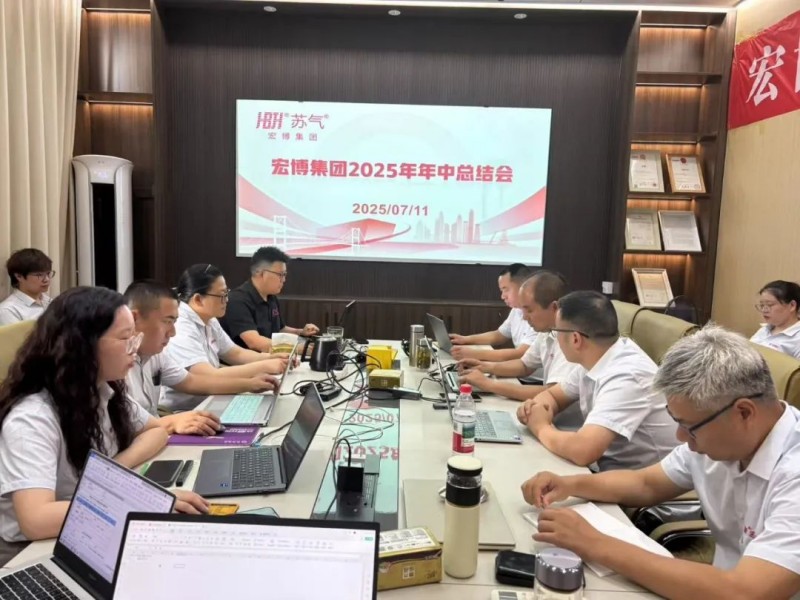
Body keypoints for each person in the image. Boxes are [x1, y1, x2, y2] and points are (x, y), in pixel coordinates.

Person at [521, 325, 800, 600]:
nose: (681, 437)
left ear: (744, 412)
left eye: (689, 426)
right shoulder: (721, 438)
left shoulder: (793, 471)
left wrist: (594, 543)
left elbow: (745, 591)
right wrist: (569, 484)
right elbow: (645, 483)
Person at [0, 287, 208, 563]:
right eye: (125, 338)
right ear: (82, 345)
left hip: (85, 523)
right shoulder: (33, 417)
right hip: (30, 549)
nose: (134, 348)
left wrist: (108, 472)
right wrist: (144, 501)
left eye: (135, 336)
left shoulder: (103, 389)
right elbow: (36, 520)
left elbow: (156, 430)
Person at [517, 291, 676, 470]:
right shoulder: (597, 356)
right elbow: (553, 396)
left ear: (575, 339)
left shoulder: (627, 375)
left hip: (640, 480)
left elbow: (583, 451)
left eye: (556, 331)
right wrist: (534, 408)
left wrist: (540, 427)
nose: (556, 338)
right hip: (610, 470)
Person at [124, 280, 280, 435]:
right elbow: (122, 430)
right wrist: (171, 423)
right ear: (134, 318)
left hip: (155, 434)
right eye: (167, 322)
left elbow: (192, 382)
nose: (172, 333)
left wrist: (249, 384)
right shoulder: (115, 365)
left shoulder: (156, 354)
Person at [163, 263, 289, 412]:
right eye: (222, 295)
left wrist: (271, 358)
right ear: (198, 300)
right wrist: (264, 367)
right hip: (184, 411)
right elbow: (208, 376)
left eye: (226, 293)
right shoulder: (181, 328)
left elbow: (235, 353)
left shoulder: (209, 318)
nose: (227, 300)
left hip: (211, 399)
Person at [458, 270, 577, 402]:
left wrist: (489, 384)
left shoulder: (572, 340)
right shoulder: (547, 331)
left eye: (529, 310)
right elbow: (524, 365)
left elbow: (553, 393)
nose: (524, 317)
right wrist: (485, 367)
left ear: (554, 308)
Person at [221, 246, 319, 351]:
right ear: (262, 273)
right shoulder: (237, 300)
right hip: (246, 360)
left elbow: (279, 330)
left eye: (285, 275)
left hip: (269, 357)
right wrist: (297, 348)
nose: (284, 280)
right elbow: (255, 342)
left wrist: (300, 332)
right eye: (280, 274)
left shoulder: (271, 297)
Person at [448, 263, 537, 361]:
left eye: (505, 290)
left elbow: (521, 354)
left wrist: (474, 354)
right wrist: (465, 339)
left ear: (523, 287)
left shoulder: (539, 315)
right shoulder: (516, 310)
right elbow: (499, 335)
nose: (502, 296)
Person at [0, 248, 54, 325]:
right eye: (39, 275)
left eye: (48, 274)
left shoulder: (49, 301)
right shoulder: (8, 310)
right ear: (19, 276)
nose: (46, 279)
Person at [750, 280, 800, 359]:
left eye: (770, 305)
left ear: (792, 305)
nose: (764, 310)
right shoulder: (765, 329)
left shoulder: (797, 338)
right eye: (762, 305)